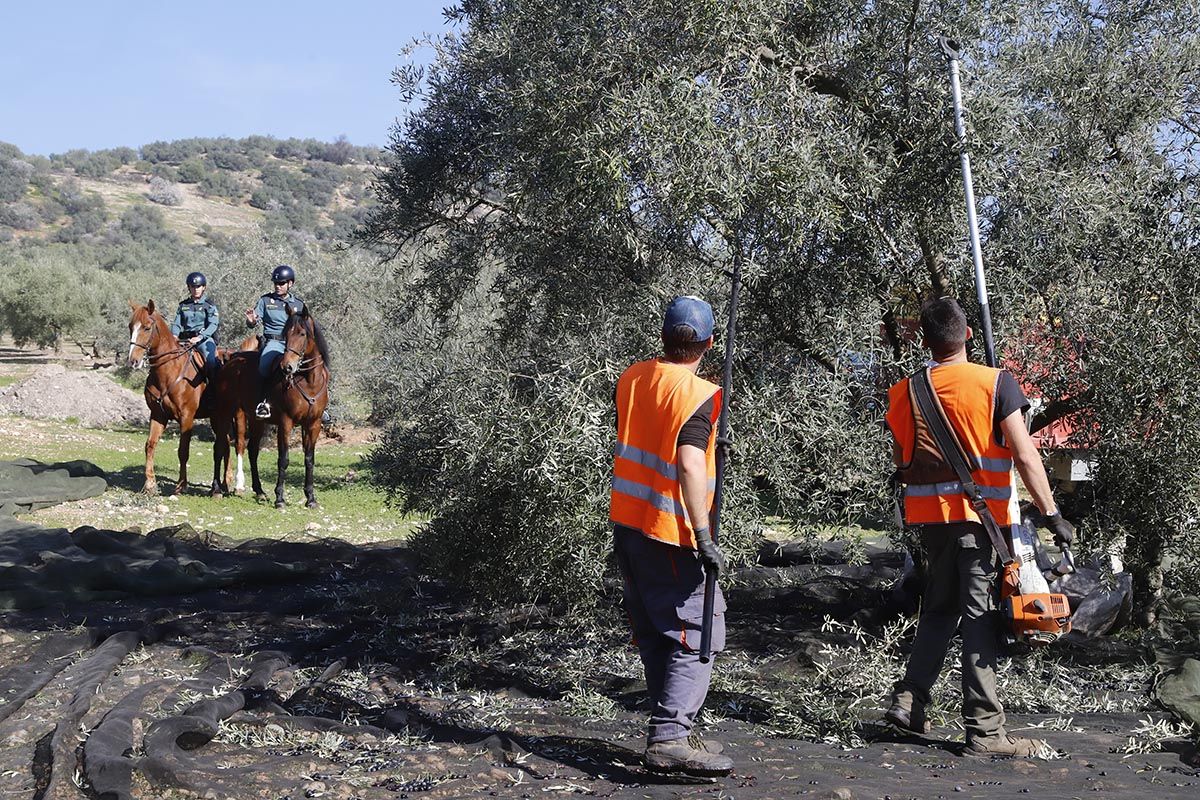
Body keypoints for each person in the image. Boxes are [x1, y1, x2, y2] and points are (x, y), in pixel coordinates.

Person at [883, 297, 1076, 758]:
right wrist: (1052, 515)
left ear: (926, 342)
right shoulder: (996, 384)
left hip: (932, 524)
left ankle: (909, 703)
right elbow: (1025, 454)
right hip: (981, 524)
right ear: (968, 334)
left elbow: (901, 461)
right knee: (978, 620)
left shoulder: (904, 393)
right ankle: (986, 732)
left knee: (938, 611)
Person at [610, 295, 734, 778]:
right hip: (672, 532)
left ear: (664, 337)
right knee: (699, 629)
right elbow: (685, 460)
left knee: (657, 631)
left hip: (629, 523)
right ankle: (670, 737)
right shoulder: (700, 394)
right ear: (709, 343)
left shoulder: (632, 378)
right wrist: (704, 535)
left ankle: (673, 727)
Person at [245, 264, 304, 419]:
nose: (278, 286)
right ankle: (263, 402)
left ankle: (321, 404)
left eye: (281, 283)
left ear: (290, 284)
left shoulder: (299, 304)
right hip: (274, 342)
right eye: (276, 283)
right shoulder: (265, 301)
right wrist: (251, 321)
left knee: (315, 364)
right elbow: (254, 321)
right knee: (264, 365)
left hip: (295, 344)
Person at [169, 272, 220, 379]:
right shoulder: (183, 305)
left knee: (211, 362)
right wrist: (174, 335)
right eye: (193, 286)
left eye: (198, 286)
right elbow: (177, 323)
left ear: (203, 287)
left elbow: (213, 325)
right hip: (185, 340)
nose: (196, 289)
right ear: (189, 287)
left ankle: (214, 390)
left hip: (203, 340)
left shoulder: (209, 305)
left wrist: (200, 337)